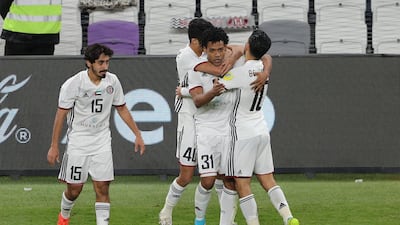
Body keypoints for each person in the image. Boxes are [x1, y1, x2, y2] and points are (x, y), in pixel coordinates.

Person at [47, 43, 145, 225]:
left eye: (107, 62)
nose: (105, 67)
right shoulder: (73, 84)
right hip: (78, 142)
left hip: (102, 142)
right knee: (74, 189)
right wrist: (54, 146)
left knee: (102, 188)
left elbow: (122, 108)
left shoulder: (113, 81)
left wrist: (137, 134)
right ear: (88, 63)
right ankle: (64, 216)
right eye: (100, 63)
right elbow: (61, 114)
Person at [218, 30, 300, 225]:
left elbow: (217, 85)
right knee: (268, 179)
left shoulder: (239, 74)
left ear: (247, 45)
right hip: (261, 130)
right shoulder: (263, 68)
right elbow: (265, 57)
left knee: (241, 183)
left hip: (243, 134)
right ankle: (288, 217)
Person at [188, 26, 237, 225]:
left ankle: (226, 222)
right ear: (205, 50)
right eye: (213, 50)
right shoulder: (197, 70)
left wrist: (233, 58)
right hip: (207, 131)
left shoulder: (233, 65)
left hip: (229, 131)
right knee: (207, 181)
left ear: (226, 48)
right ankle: (199, 219)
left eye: (221, 50)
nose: (217, 55)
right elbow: (198, 100)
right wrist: (213, 93)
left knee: (229, 179)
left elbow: (253, 50)